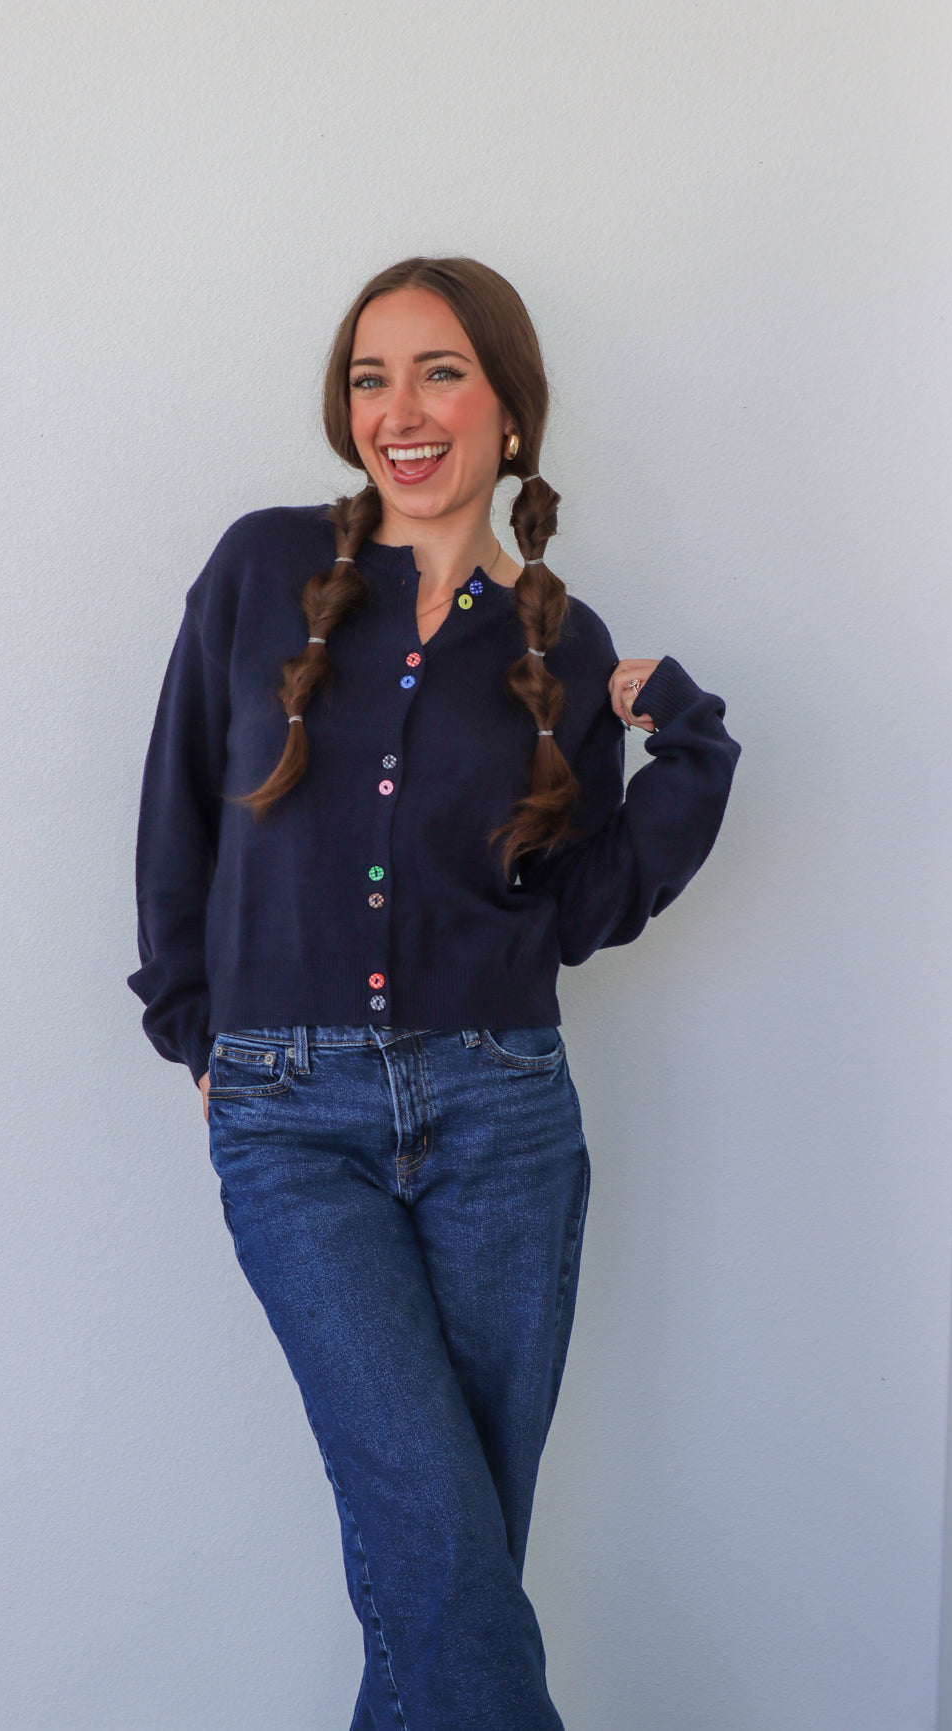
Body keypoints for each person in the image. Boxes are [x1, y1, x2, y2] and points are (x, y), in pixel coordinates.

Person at [126, 255, 740, 1730]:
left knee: (446, 1562)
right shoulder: (261, 568)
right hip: (290, 1122)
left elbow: (579, 909)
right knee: (444, 1547)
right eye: (368, 378)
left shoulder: (561, 649)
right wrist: (194, 1025)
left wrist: (691, 747)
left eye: (438, 371)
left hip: (502, 1117)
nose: (399, 410)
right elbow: (177, 810)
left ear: (508, 413)